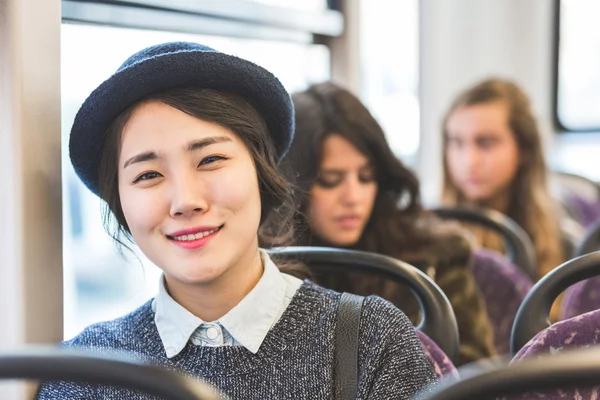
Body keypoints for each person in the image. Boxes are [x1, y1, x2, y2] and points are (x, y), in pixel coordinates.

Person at [36, 42, 436, 399]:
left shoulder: (370, 341)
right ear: (120, 203)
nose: (185, 201)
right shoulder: (84, 374)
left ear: (262, 171)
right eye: (148, 175)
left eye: (210, 160)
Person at [283, 81, 496, 366]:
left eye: (366, 177)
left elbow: (472, 373)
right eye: (330, 180)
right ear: (292, 186)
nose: (353, 197)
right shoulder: (263, 268)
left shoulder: (435, 256)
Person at [441, 78, 579, 281]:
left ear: (524, 149)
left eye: (486, 143)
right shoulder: (426, 235)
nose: (469, 161)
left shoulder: (565, 239)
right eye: (456, 142)